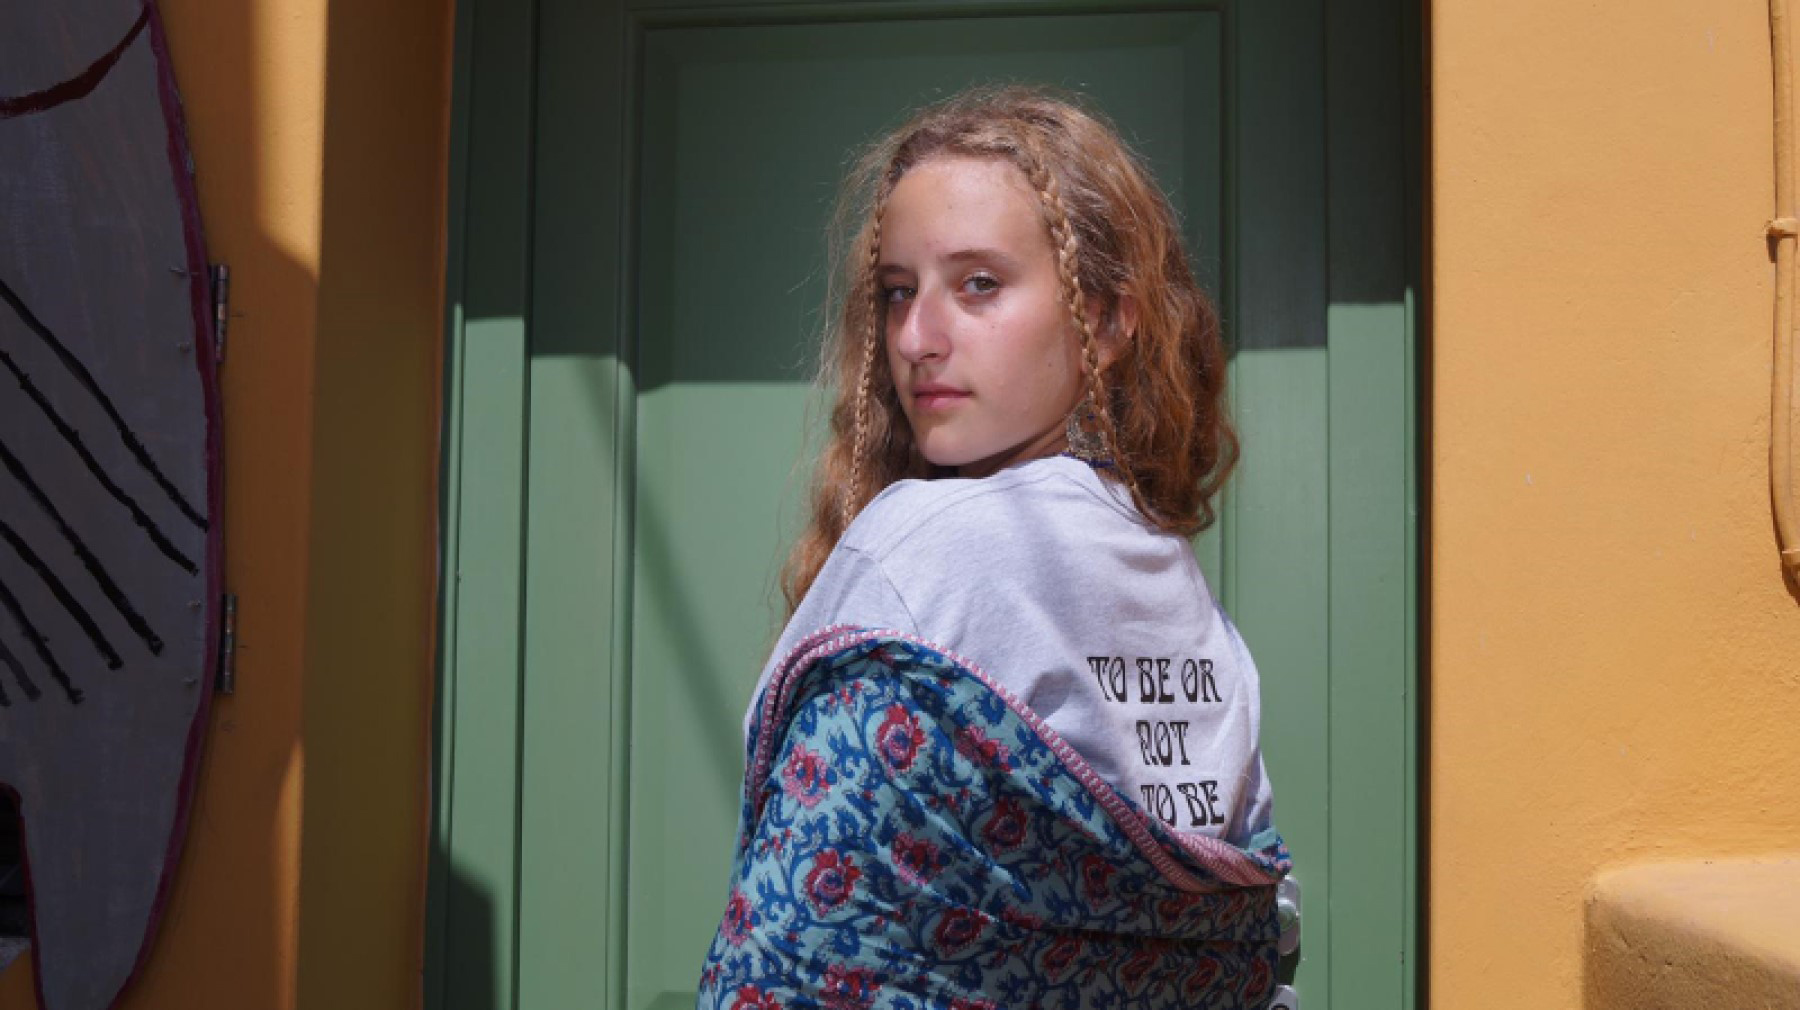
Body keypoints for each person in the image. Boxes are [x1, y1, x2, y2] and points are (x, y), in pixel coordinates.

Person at [698, 84, 1287, 1010]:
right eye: (898, 291)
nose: (916, 338)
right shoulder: (1180, 588)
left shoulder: (920, 545)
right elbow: (1257, 928)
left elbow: (790, 931)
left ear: (1107, 319)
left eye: (978, 284)